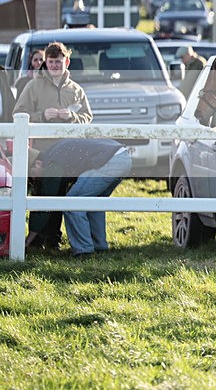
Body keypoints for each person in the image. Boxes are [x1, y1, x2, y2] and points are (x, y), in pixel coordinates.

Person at [14, 41, 93, 250]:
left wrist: (73, 117)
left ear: (66, 61)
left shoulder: (76, 90)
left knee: (61, 193)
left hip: (70, 152)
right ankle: (37, 239)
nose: (55, 66)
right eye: (51, 62)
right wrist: (41, 116)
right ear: (46, 63)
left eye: (58, 62)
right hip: (42, 152)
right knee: (43, 193)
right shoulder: (34, 86)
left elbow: (88, 117)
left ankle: (52, 239)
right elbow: (18, 115)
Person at [29, 139, 132, 257]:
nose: (33, 179)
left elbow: (48, 202)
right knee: (93, 204)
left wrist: (29, 239)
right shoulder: (54, 153)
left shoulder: (52, 164)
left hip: (109, 161)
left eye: (31, 174)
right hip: (124, 158)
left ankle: (84, 251)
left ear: (37, 163)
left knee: (72, 204)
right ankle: (99, 247)